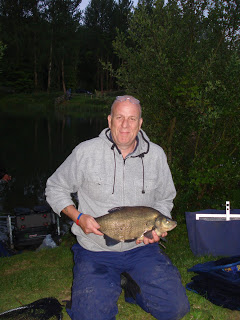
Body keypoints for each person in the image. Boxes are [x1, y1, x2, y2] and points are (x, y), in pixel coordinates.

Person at [45, 95, 190, 320]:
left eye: (132, 118)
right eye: (119, 117)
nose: (125, 125)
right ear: (109, 120)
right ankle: (90, 295)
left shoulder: (156, 156)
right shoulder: (86, 152)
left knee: (176, 309)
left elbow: (165, 198)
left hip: (142, 251)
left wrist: (156, 229)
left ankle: (131, 287)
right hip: (96, 251)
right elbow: (55, 187)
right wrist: (78, 217)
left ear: (140, 123)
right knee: (91, 316)